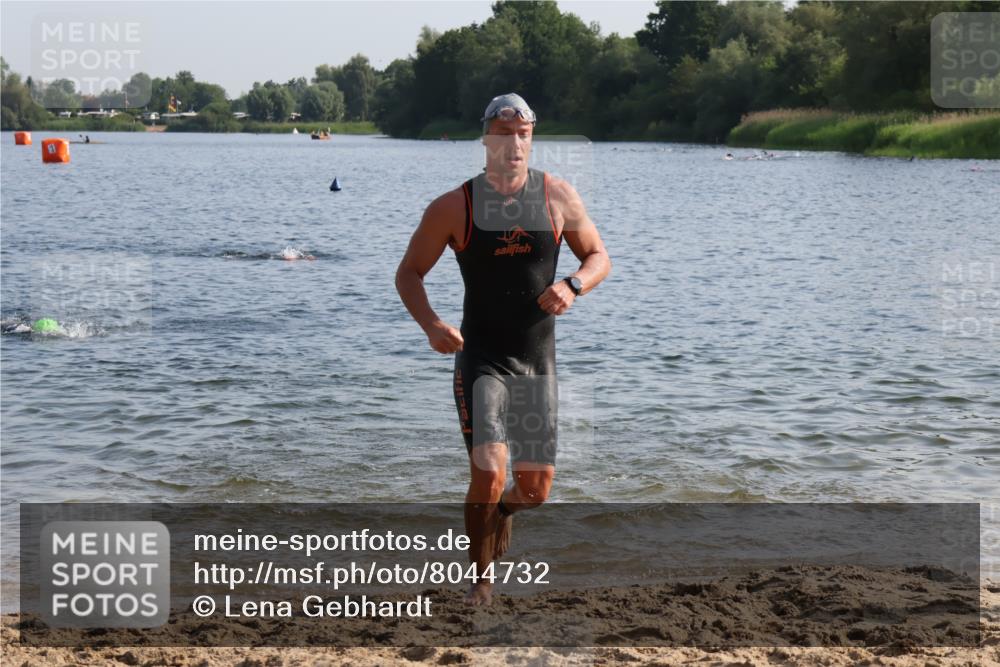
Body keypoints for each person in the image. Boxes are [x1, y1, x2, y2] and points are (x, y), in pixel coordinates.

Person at [395, 93, 611, 606]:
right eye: (503, 133)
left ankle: (504, 515)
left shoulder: (558, 196)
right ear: (486, 137)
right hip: (483, 357)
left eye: (523, 134)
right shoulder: (455, 206)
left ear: (531, 138)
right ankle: (482, 583)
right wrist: (431, 325)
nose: (513, 144)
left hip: (536, 361)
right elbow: (408, 273)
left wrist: (574, 284)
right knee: (490, 471)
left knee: (534, 490)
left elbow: (599, 256)